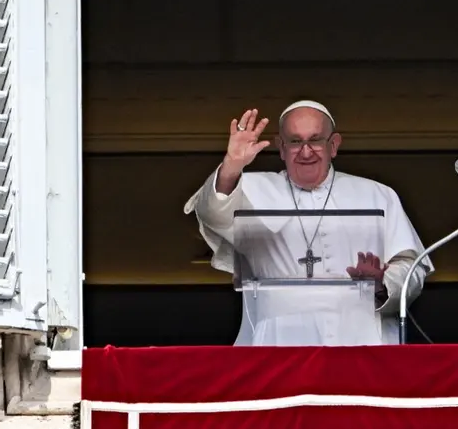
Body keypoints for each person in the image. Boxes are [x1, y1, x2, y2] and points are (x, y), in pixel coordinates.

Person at [183, 100, 433, 346]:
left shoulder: (378, 195)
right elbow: (212, 213)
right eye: (295, 141)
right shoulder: (250, 188)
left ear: (333, 145)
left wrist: (382, 282)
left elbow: (412, 267)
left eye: (315, 140)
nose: (305, 152)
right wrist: (231, 166)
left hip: (361, 337)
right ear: (281, 147)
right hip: (278, 340)